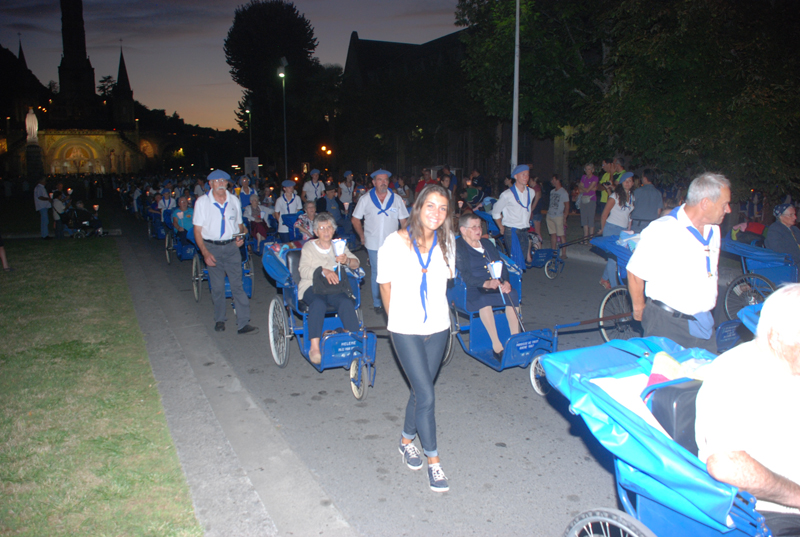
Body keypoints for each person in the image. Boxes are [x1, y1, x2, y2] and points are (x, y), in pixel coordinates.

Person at [695, 284, 800, 536]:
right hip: (769, 511)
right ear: (776, 338)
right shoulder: (736, 373)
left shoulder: (791, 364)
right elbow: (726, 464)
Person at [377, 184, 455, 493]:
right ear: (418, 207)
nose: (436, 213)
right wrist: (395, 321)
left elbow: (444, 283)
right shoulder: (394, 243)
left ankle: (405, 440)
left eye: (443, 208)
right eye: (431, 206)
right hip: (405, 328)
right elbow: (384, 285)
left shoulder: (447, 242)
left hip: (438, 327)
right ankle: (434, 461)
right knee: (428, 396)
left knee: (420, 392)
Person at [626, 173, 731, 353]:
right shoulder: (664, 229)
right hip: (668, 325)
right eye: (724, 204)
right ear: (705, 203)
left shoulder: (714, 230)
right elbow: (635, 272)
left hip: (703, 324)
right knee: (667, 371)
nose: (728, 210)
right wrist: (638, 308)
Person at [192, 169, 258, 335]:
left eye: (224, 181)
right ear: (210, 184)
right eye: (217, 181)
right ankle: (220, 319)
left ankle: (243, 323)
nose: (221, 184)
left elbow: (239, 225)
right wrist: (205, 252)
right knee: (217, 287)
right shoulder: (202, 202)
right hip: (212, 247)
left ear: (228, 183)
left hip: (231, 248)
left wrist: (240, 236)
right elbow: (197, 230)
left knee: (237, 285)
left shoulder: (234, 200)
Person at [298, 213, 361, 364]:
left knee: (346, 302)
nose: (326, 231)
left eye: (329, 227)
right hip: (312, 286)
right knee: (318, 304)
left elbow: (356, 263)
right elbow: (303, 271)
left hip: (333, 288)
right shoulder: (309, 247)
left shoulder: (339, 246)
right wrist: (322, 271)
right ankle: (314, 347)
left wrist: (347, 260)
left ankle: (352, 341)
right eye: (322, 228)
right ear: (315, 232)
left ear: (334, 230)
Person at [456, 213, 520, 357]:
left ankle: (515, 340)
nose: (478, 230)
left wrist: (506, 282)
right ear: (463, 230)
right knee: (484, 300)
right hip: (471, 288)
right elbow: (464, 275)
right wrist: (485, 283)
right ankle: (497, 346)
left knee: (512, 294)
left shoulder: (487, 244)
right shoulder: (458, 247)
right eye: (474, 227)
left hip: (493, 284)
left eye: (479, 226)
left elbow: (500, 264)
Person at [351, 169, 409, 314]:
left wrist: (406, 239)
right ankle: (378, 303)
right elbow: (355, 219)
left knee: (394, 272)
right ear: (374, 182)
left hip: (393, 243)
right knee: (377, 272)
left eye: (385, 180)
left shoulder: (396, 199)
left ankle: (393, 301)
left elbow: (404, 221)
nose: (383, 182)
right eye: (380, 180)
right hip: (373, 242)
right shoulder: (365, 199)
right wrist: (362, 236)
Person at [492, 165, 536, 267]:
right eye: (523, 174)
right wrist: (501, 227)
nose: (526, 177)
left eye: (527, 175)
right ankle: (511, 277)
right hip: (512, 231)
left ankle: (514, 276)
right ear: (515, 176)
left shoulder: (531, 192)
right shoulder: (507, 194)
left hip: (524, 230)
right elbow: (495, 212)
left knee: (522, 259)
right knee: (516, 260)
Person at [599, 172, 635, 289]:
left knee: (617, 257)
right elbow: (604, 214)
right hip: (611, 228)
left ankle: (604, 278)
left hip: (623, 231)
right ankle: (615, 288)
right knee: (612, 260)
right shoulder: (615, 196)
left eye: (630, 181)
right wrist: (603, 229)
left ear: (632, 183)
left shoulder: (632, 197)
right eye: (625, 181)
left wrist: (628, 229)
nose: (628, 183)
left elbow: (629, 215)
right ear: (621, 183)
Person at [545, 174, 570, 258]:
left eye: (553, 179)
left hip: (558, 216)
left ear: (557, 180)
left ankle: (564, 253)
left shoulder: (563, 192)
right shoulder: (552, 191)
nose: (552, 181)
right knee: (553, 234)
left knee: (561, 234)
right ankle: (553, 251)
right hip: (550, 215)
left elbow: (567, 206)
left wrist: (565, 217)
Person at [579, 164, 599, 242]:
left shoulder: (595, 178)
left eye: (589, 169)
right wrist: (589, 188)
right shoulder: (583, 177)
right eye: (586, 169)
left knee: (591, 219)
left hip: (591, 200)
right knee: (584, 219)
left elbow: (586, 190)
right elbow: (581, 189)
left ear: (593, 170)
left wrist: (583, 188)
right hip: (583, 200)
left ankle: (591, 239)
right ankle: (585, 238)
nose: (587, 171)